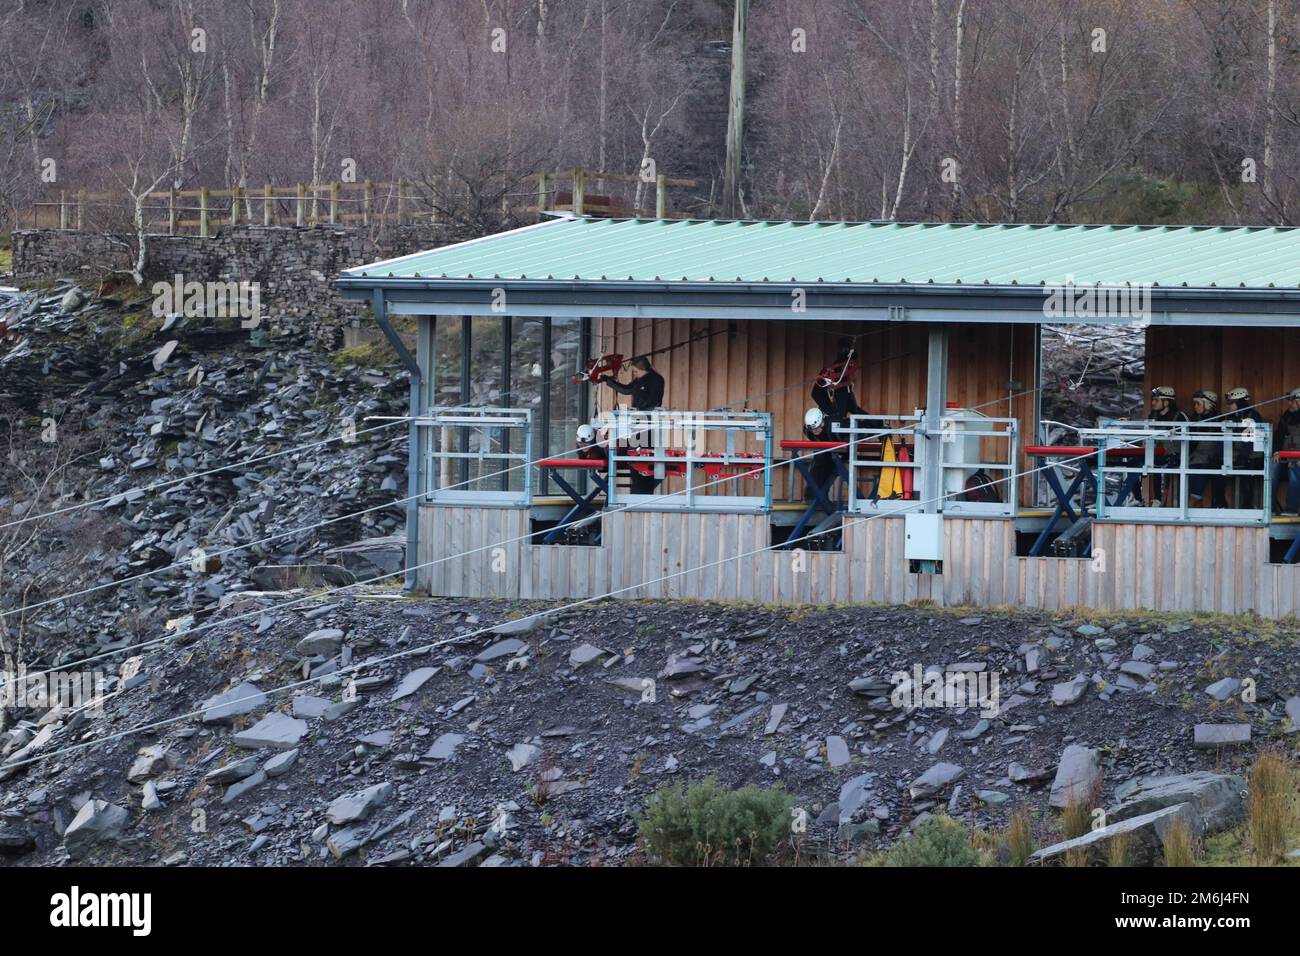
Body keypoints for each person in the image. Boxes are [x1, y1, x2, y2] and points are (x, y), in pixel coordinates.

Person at [601, 357, 665, 495]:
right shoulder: (641, 380)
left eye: (636, 371)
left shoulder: (655, 380)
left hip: (648, 421)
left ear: (643, 370)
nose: (634, 374)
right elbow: (626, 389)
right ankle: (639, 489)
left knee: (644, 452)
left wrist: (640, 408)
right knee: (636, 452)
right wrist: (608, 381)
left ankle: (643, 490)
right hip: (639, 420)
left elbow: (652, 400)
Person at [1146, 386, 1187, 506]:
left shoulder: (1180, 417)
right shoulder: (1153, 416)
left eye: (1156, 400)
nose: (1153, 403)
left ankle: (1164, 501)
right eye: (1153, 400)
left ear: (1167, 402)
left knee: (1165, 466)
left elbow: (1191, 440)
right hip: (1158, 453)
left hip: (1177, 454)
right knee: (1138, 464)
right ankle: (1148, 499)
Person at [811, 337, 867, 424]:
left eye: (843, 349)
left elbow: (847, 369)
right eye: (840, 349)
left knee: (848, 414)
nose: (840, 351)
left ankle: (877, 424)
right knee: (847, 413)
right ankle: (877, 424)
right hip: (838, 394)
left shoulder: (849, 362)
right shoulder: (837, 364)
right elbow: (817, 392)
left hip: (843, 393)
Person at [1224, 387, 1264, 509]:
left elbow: (1256, 442)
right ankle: (1219, 504)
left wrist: (1245, 456)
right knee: (1215, 465)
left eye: (1231, 403)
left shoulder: (1254, 416)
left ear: (1240, 403)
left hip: (1253, 457)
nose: (1229, 406)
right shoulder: (1230, 417)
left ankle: (1248, 505)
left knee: (1247, 467)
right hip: (1234, 455)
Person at [1188, 389, 1228, 508]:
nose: (1195, 407)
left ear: (1208, 404)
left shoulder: (1220, 419)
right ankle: (1195, 499)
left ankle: (1194, 499)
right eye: (1194, 404)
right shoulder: (1194, 419)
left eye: (1198, 404)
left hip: (1212, 458)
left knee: (1205, 467)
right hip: (1195, 457)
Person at [1272, 388, 1300, 515]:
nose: (1289, 404)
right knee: (1272, 468)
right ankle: (1269, 509)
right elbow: (1278, 438)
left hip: (1297, 463)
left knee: (1294, 469)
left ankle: (1291, 509)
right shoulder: (1286, 416)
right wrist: (1276, 452)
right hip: (1285, 459)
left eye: (1292, 401)